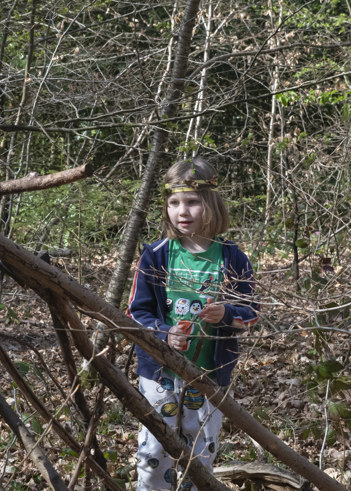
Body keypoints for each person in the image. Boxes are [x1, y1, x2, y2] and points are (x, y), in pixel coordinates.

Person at [127, 156, 259, 491]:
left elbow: (251, 311)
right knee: (155, 453)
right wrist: (164, 332)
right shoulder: (156, 254)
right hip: (160, 376)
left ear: (212, 203)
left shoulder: (232, 258)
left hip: (209, 377)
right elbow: (136, 312)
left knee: (199, 460)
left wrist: (226, 313)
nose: (182, 211)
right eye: (174, 202)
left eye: (192, 202)